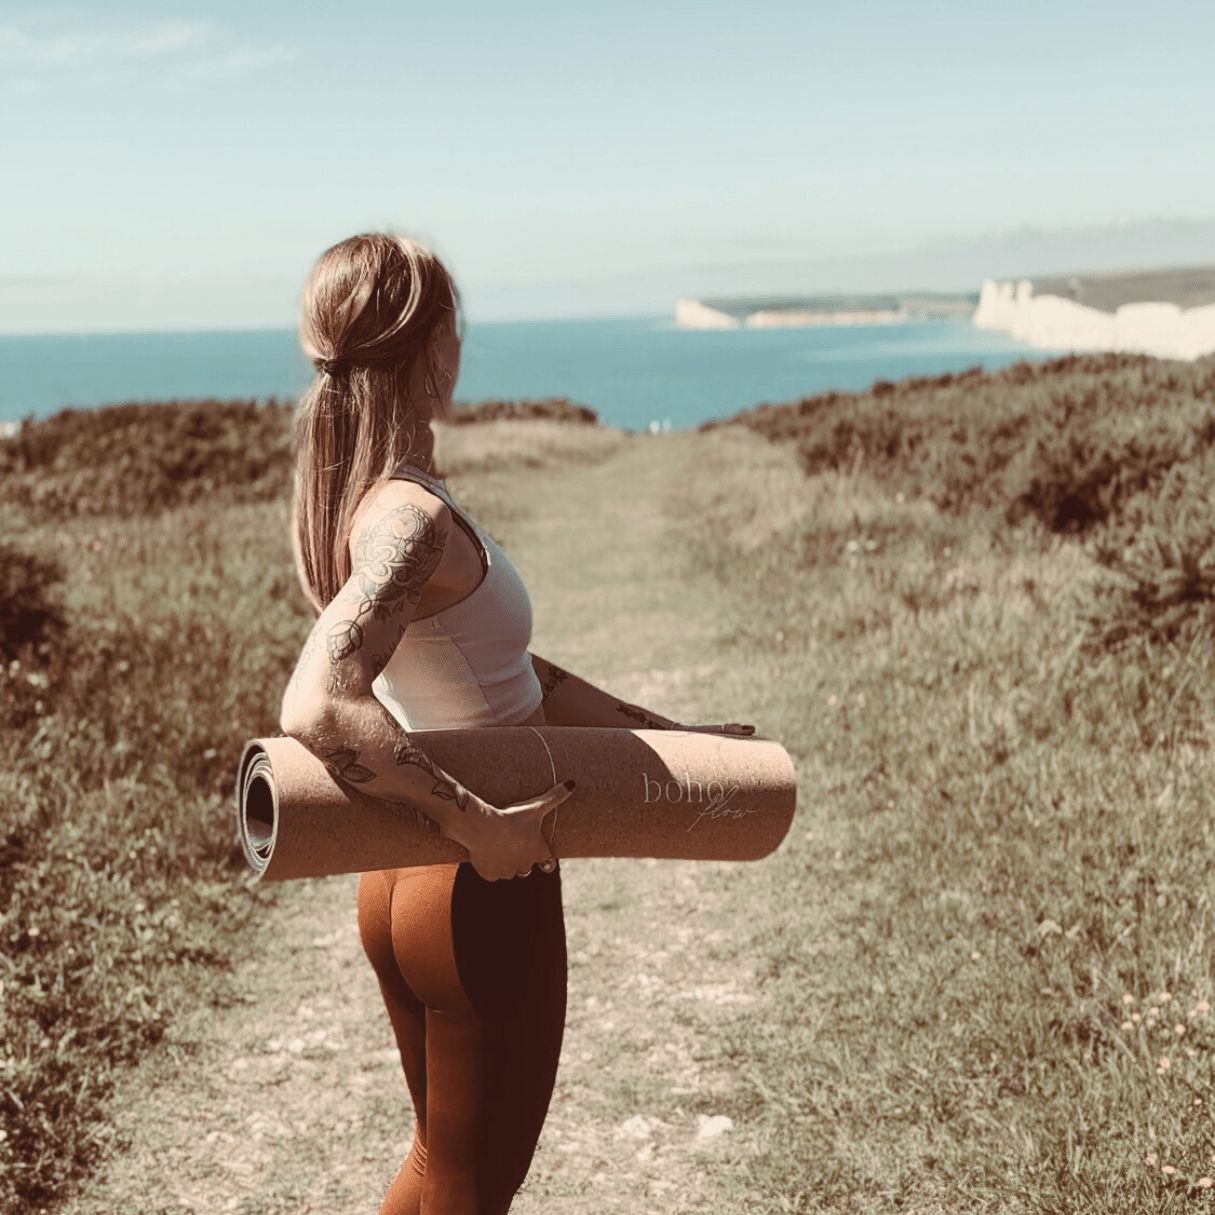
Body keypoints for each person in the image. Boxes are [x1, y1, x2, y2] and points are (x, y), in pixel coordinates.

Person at [279, 233, 751, 1215]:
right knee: (470, 1189)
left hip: (405, 876)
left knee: (441, 1170)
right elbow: (320, 704)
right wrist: (478, 824)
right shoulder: (408, 518)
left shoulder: (374, 501)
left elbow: (512, 674)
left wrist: (681, 738)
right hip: (478, 881)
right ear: (437, 347)